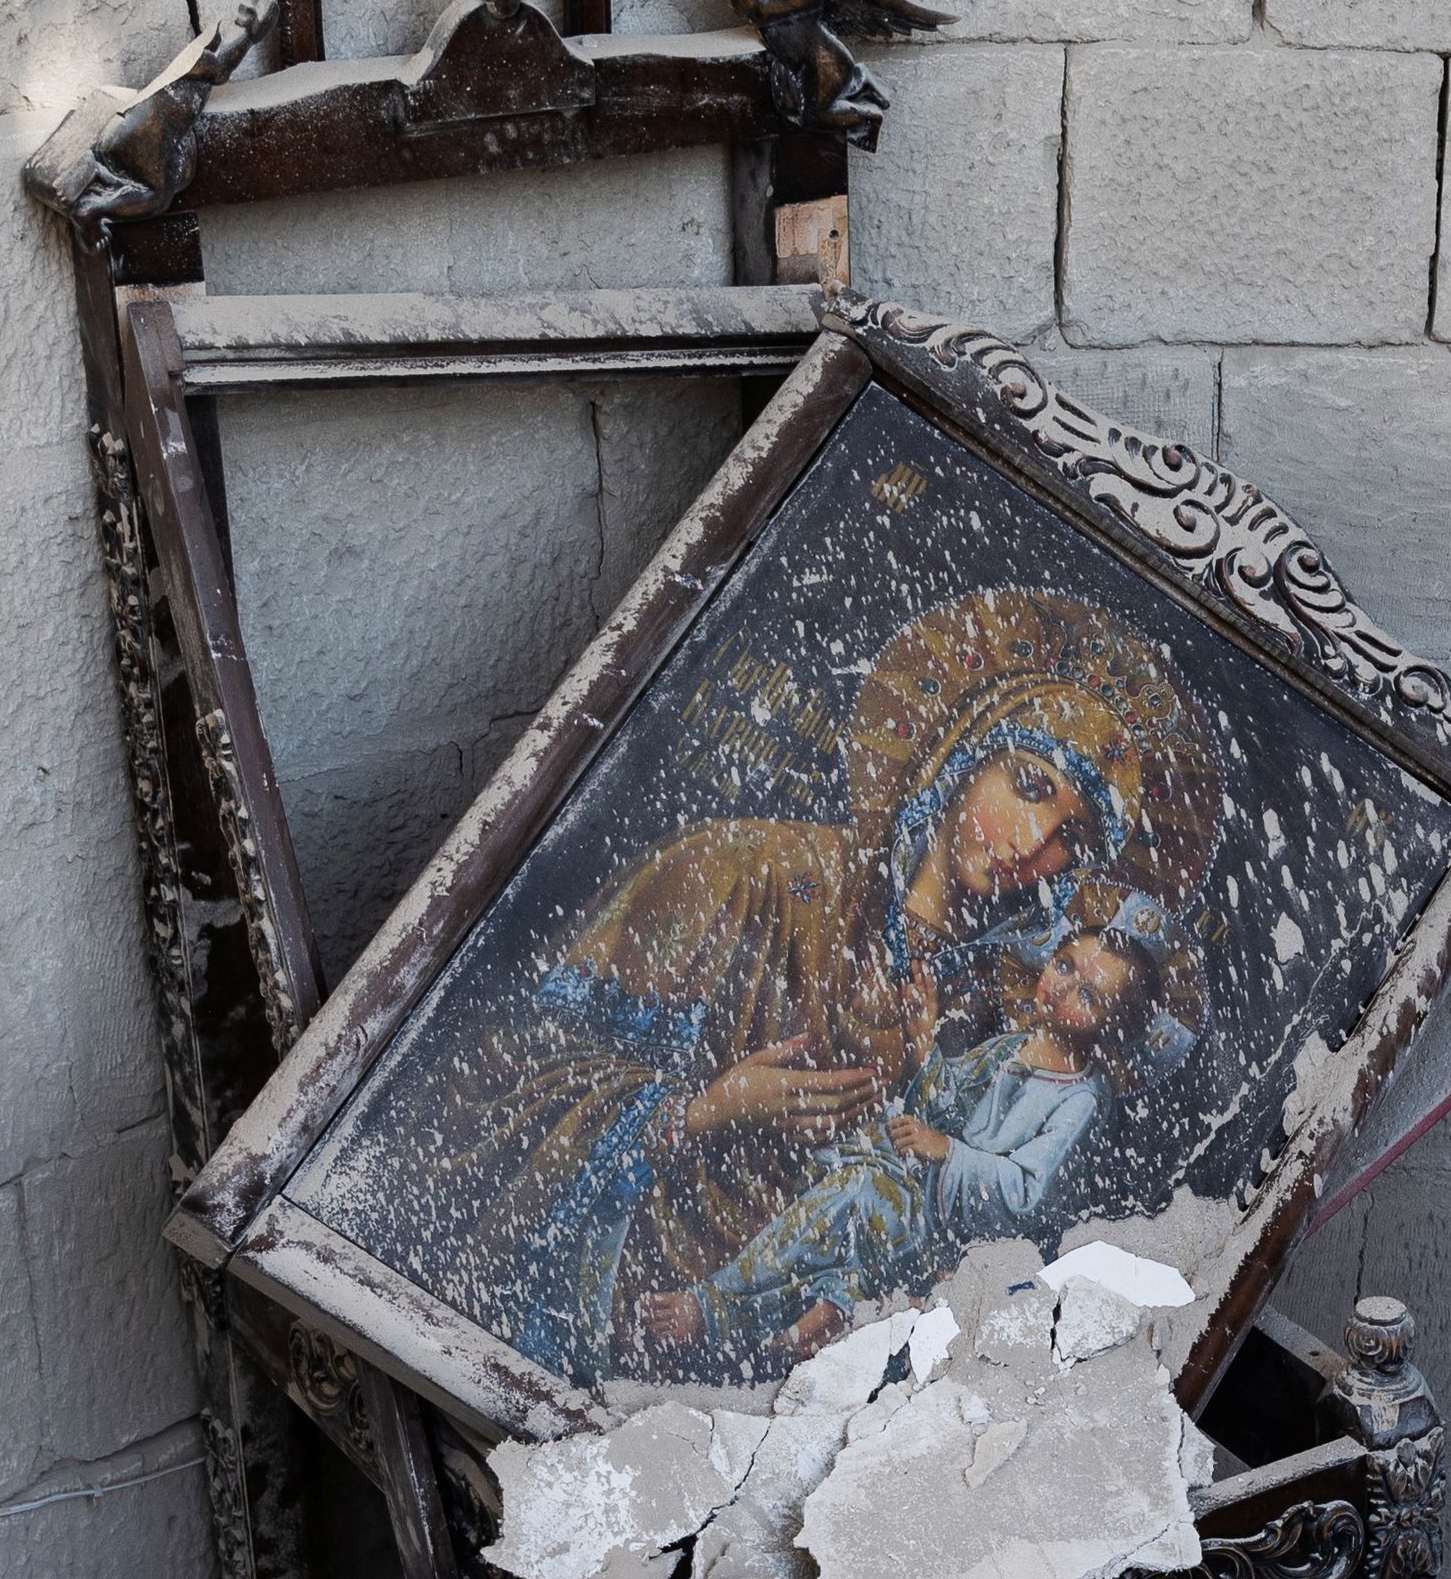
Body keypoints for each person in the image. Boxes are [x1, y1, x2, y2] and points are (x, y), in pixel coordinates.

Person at [336, 587, 1219, 1387]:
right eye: (1030, 788)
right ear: (962, 753)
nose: (1035, 847)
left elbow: (952, 1200)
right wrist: (704, 1111)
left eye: (1072, 837)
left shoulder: (1002, 1006)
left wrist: (897, 1292)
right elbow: (492, 1082)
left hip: (798, 1364)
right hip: (621, 1311)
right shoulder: (744, 870)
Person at [642, 891, 1185, 1361]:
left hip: (958, 1234)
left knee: (857, 1196)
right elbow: (942, 1109)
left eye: (1088, 996)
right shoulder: (1015, 1046)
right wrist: (926, 1041)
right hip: (924, 1196)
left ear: (1114, 1029)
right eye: (1065, 965)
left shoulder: (1083, 1102)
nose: (1063, 989)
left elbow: (1029, 1195)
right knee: (848, 1180)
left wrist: (948, 1152)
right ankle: (817, 1310)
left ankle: (713, 1308)